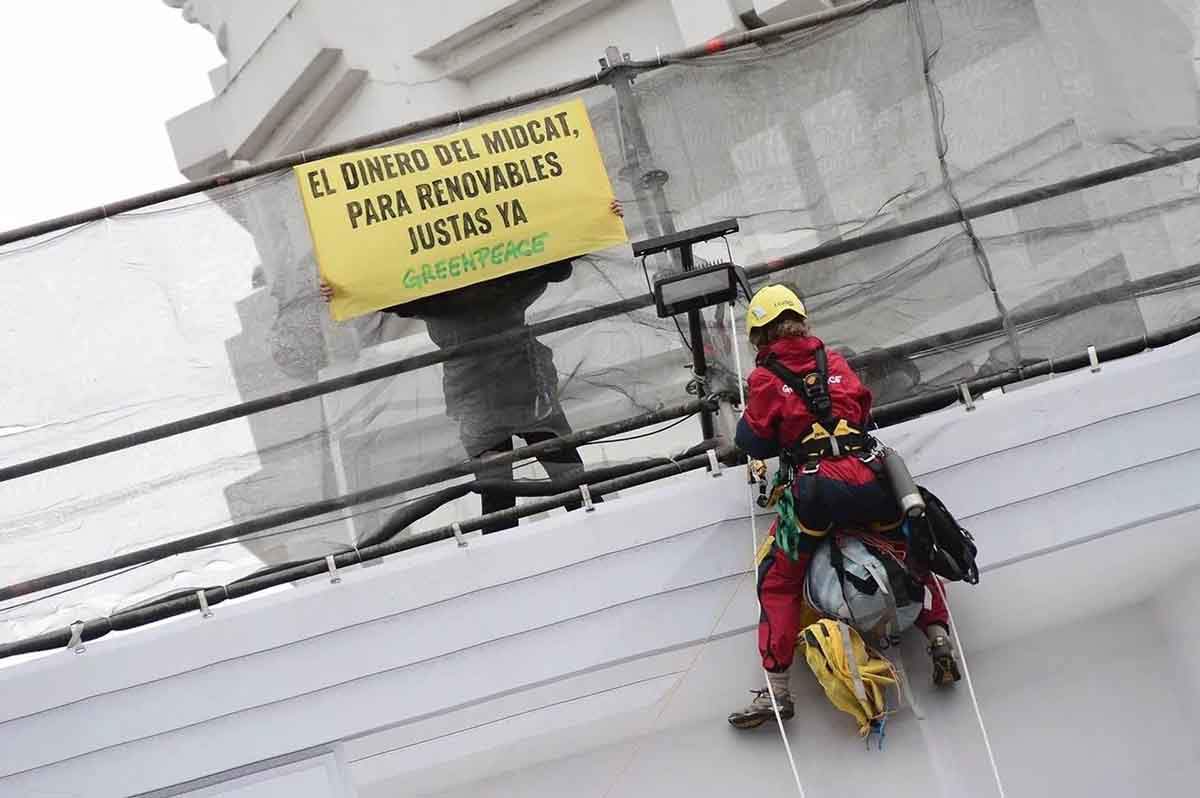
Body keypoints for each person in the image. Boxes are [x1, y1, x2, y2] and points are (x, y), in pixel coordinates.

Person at [727, 284, 961, 731]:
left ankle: (776, 691)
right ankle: (937, 637)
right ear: (800, 318)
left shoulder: (763, 378)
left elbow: (752, 439)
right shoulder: (832, 360)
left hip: (818, 492)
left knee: (779, 581)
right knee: (910, 548)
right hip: (871, 479)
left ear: (760, 334)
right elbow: (863, 409)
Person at [321, 199, 624, 534]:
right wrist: (597, 222)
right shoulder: (491, 283)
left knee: (508, 492)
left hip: (499, 392)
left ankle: (534, 551)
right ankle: (600, 534)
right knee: (553, 481)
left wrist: (600, 219)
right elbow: (553, 262)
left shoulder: (440, 294)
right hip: (513, 390)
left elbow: (388, 297)